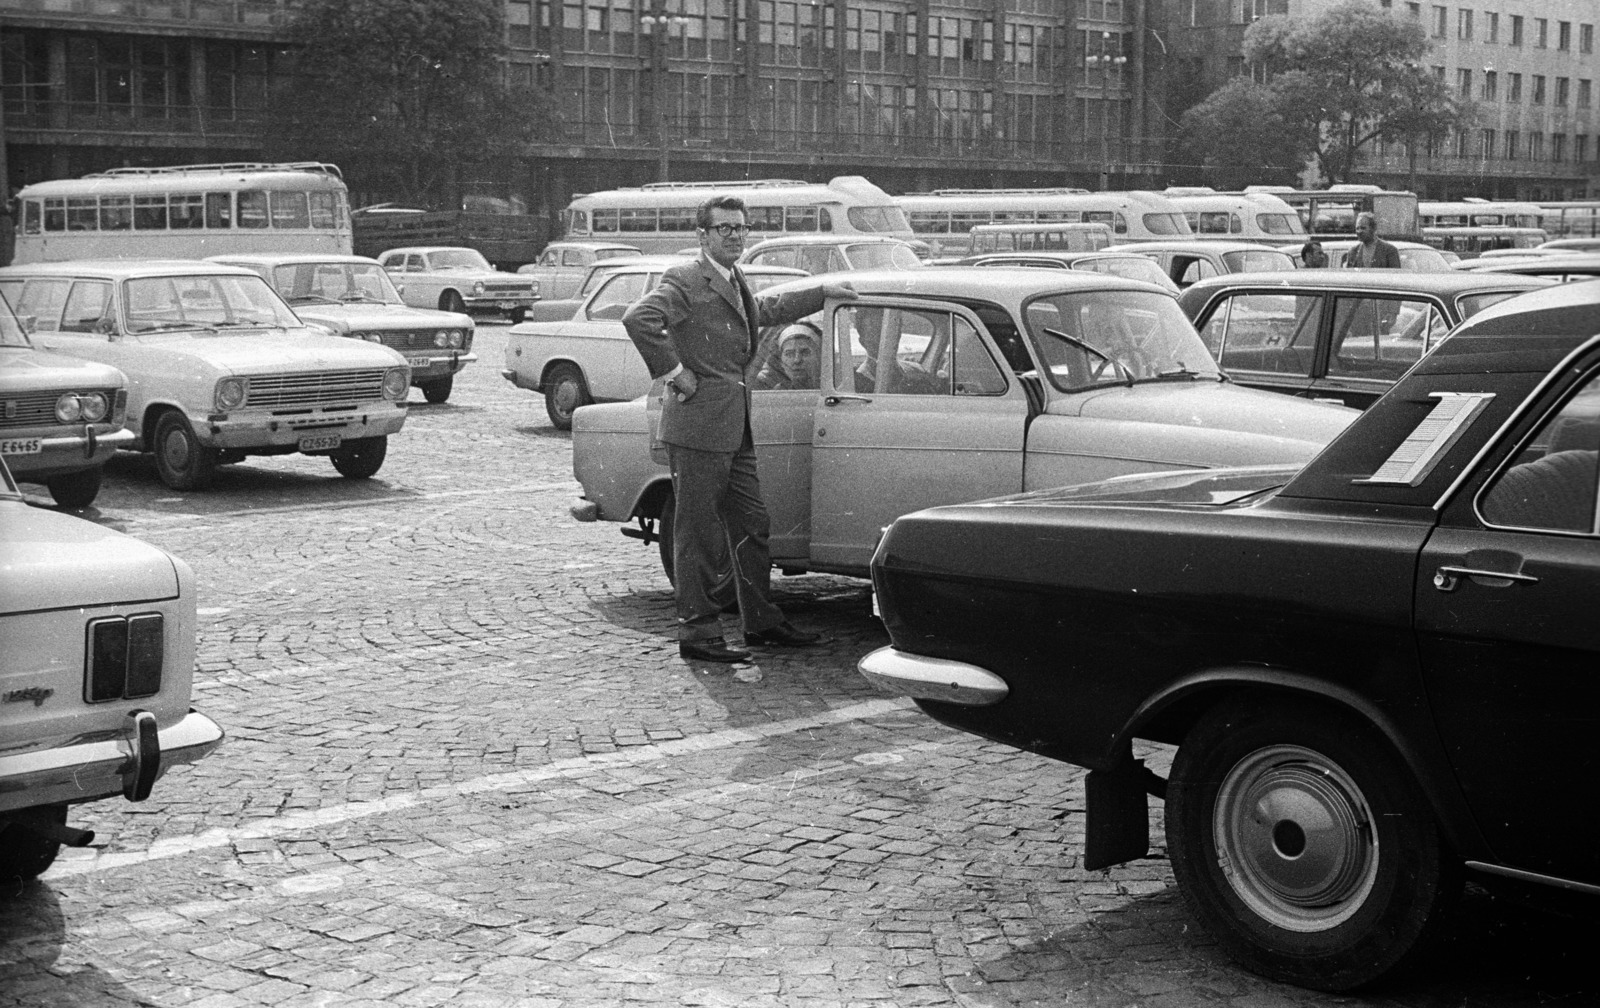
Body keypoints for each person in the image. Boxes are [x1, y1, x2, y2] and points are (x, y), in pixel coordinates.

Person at [623, 195, 855, 664]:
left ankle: (761, 621)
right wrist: (674, 373)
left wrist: (822, 292)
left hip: (735, 427)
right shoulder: (686, 278)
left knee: (752, 523)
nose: (734, 235)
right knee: (699, 534)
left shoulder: (732, 276)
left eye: (740, 228)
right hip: (700, 426)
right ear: (702, 235)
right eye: (724, 228)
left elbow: (763, 311)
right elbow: (639, 319)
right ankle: (699, 634)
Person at [753, 321, 821, 390]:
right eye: (789, 354)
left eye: (805, 352)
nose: (797, 360)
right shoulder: (775, 393)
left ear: (819, 356)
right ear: (780, 360)